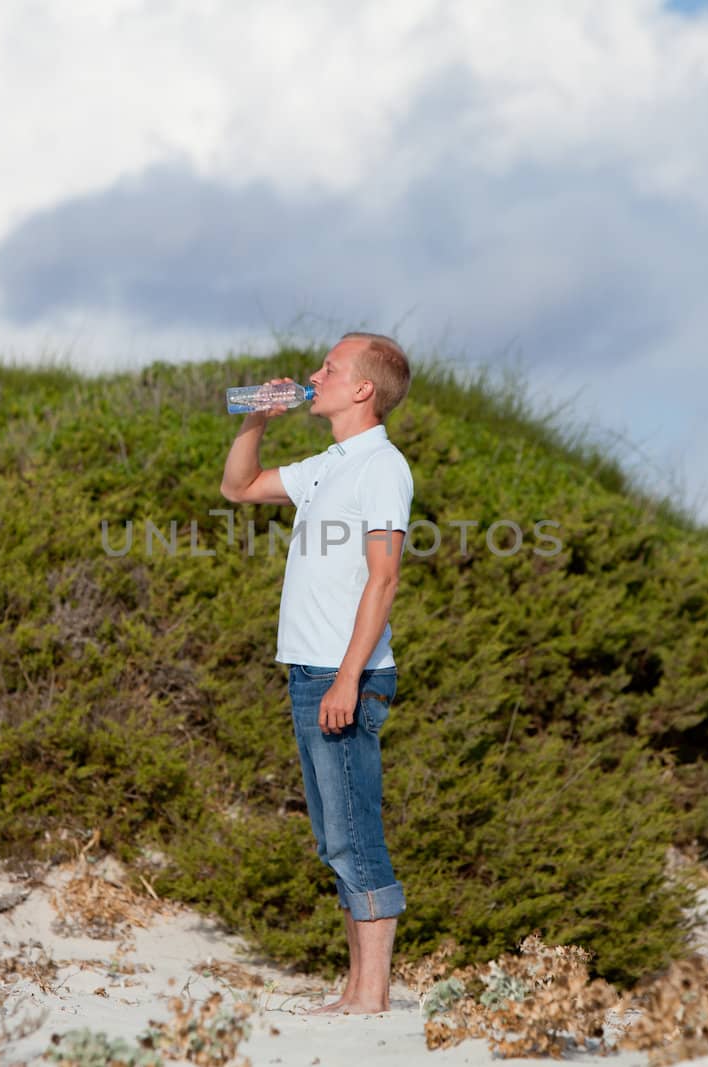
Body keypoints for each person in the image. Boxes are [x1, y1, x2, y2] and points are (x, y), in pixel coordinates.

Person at [220, 331, 414, 1015]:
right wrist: (256, 418)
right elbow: (238, 486)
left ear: (362, 389)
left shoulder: (381, 466)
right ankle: (358, 990)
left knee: (356, 833)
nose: (313, 374)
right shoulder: (331, 463)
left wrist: (347, 678)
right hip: (311, 669)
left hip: (343, 674)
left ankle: (372, 995)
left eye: (328, 368)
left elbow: (384, 580)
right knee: (337, 836)